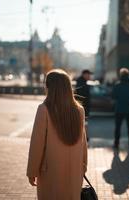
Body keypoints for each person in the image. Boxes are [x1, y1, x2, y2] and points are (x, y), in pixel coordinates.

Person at [27, 69, 88, 200]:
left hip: (51, 171)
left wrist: (32, 170)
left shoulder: (44, 109)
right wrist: (83, 165)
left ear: (49, 87)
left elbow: (37, 143)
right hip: (74, 170)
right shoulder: (79, 110)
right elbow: (83, 143)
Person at [112, 68, 129, 149]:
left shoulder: (117, 85)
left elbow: (114, 96)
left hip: (119, 108)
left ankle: (116, 143)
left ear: (120, 75)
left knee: (118, 127)